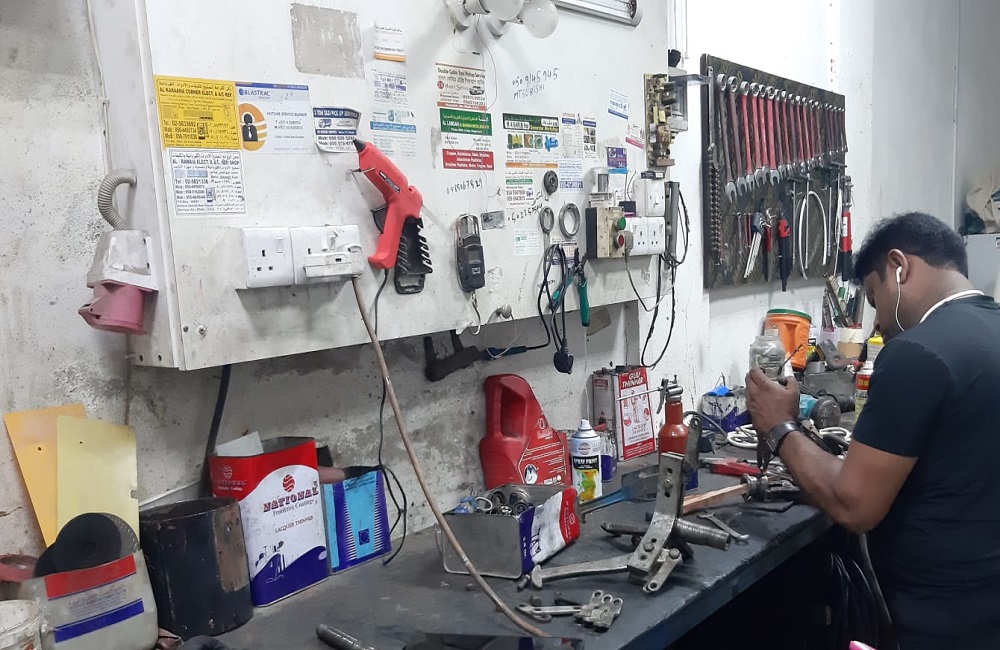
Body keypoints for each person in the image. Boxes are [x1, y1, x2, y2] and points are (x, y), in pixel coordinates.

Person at [745, 212, 1000, 649]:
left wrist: (779, 426)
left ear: (899, 267)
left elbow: (854, 505)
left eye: (874, 296)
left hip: (943, 622)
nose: (877, 321)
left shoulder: (917, 353)